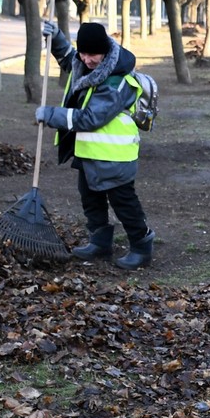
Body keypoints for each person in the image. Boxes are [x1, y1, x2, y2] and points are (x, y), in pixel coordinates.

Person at [38, 20, 154, 269]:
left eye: (94, 54)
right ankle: (100, 242)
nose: (88, 59)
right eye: (85, 53)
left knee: (124, 203)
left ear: (105, 52)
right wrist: (56, 37)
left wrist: (51, 115)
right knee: (90, 198)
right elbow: (70, 58)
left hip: (116, 155)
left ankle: (142, 246)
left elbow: (91, 118)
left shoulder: (116, 82)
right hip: (90, 151)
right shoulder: (85, 64)